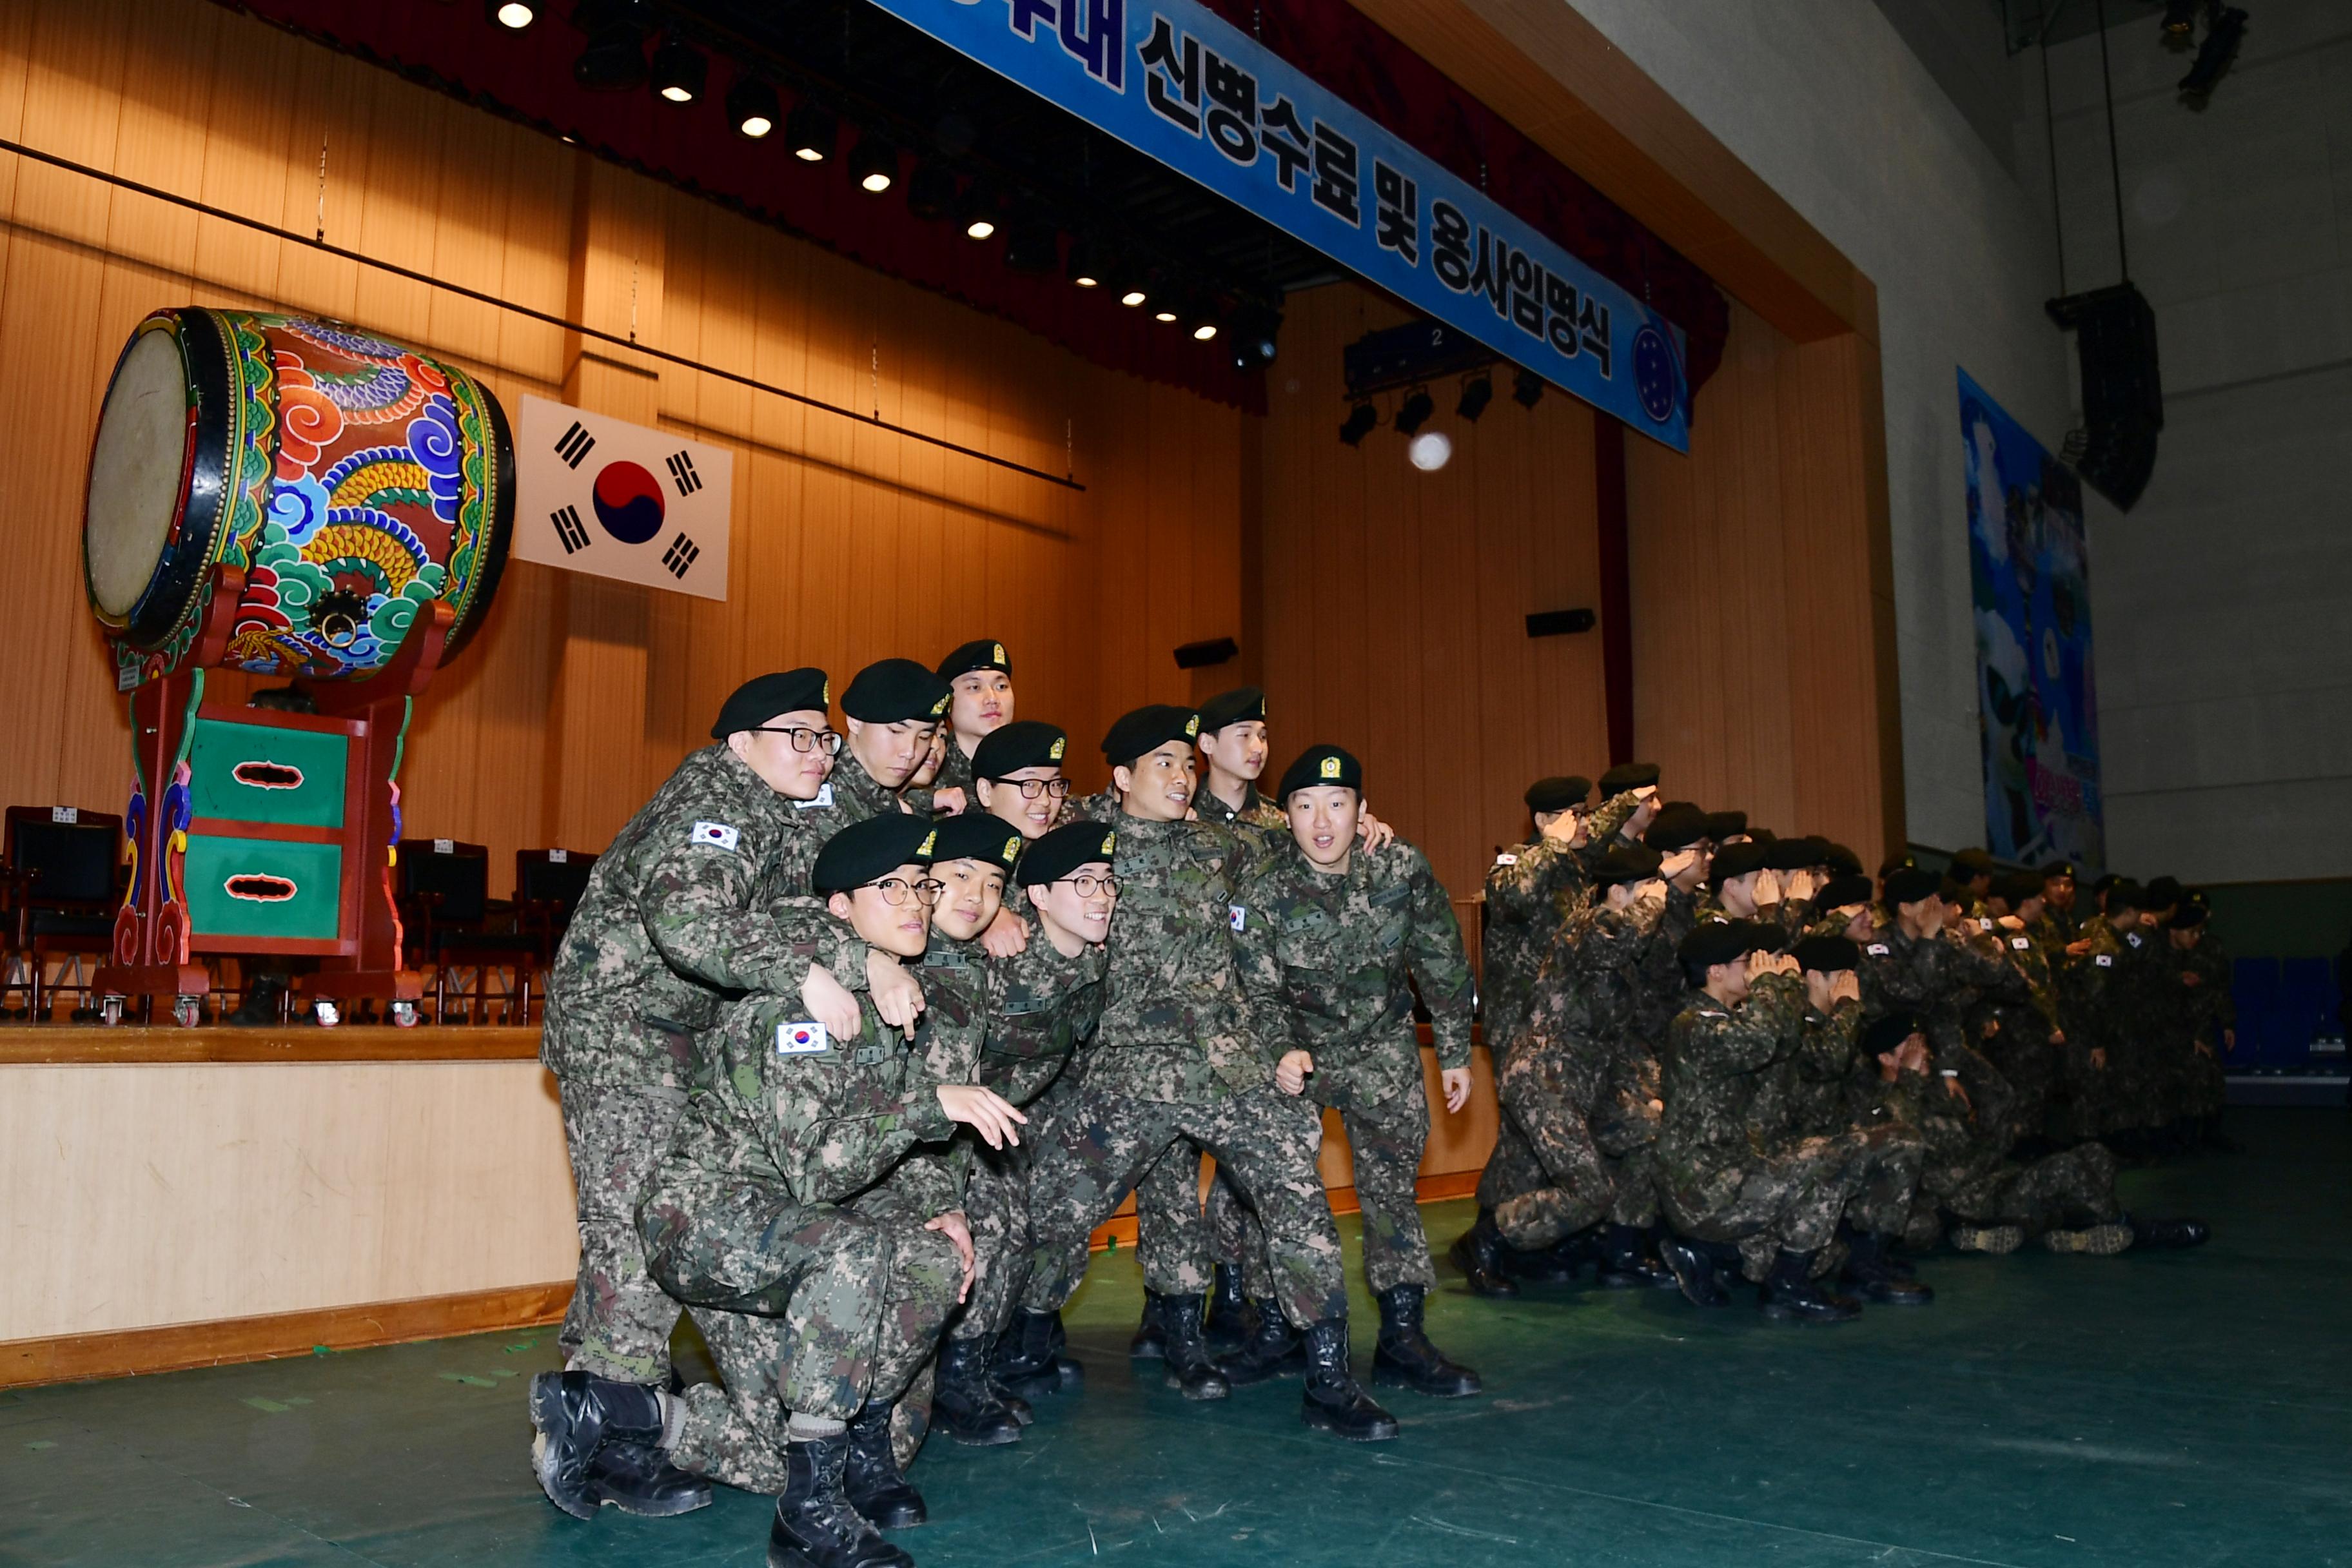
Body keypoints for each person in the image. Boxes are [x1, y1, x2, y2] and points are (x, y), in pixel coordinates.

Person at [542, 813, 1024, 1568]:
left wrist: (942, 1203)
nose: (917, 903)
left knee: (927, 1276)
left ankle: (616, 1407)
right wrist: (935, 1104)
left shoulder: (898, 1005)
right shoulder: (802, 1010)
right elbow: (822, 1168)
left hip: (795, 1233)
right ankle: (807, 1519)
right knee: (854, 1253)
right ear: (840, 911)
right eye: (890, 887)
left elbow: (891, 1148)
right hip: (704, 1220)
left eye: (922, 886)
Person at [534, 671, 923, 1516]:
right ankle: (605, 1435)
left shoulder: (781, 805)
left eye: (824, 738)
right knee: (630, 1230)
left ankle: (631, 1406)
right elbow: (690, 922)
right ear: (739, 740)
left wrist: (865, 960)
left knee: (675, 1225)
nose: (819, 753)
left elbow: (799, 913)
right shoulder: (717, 805)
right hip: (624, 1034)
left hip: (687, 1042)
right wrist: (813, 977)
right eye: (800, 735)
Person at [1003, 705, 1400, 1440]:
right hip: (1126, 1070)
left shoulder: (1229, 844)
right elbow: (1015, 826)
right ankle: (1025, 1339)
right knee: (1056, 1212)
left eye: (1188, 763)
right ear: (1121, 776)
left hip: (1227, 1063)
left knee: (1298, 1197)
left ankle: (1329, 1376)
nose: (1183, 777)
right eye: (1163, 764)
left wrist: (1360, 831)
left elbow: (1312, 848)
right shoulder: (1085, 840)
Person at [1218, 745, 1482, 1400]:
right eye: (1304, 806)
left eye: (1338, 803)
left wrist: (1453, 1050)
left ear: (1362, 810)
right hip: (1296, 1057)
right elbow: (1255, 991)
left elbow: (1441, 956)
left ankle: (1402, 1334)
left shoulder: (1399, 868)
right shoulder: (1263, 892)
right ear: (1289, 818)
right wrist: (1279, 1049)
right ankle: (1277, 1323)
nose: (1322, 821)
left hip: (1381, 1049)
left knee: (1392, 1191)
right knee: (1274, 1193)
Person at [917, 815, 1112, 1447]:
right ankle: (952, 1377)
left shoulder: (1091, 952)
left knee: (1038, 1217)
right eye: (961, 877)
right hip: (920, 1131)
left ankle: (978, 1363)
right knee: (995, 1229)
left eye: (990, 882)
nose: (975, 895)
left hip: (989, 1122)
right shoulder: (943, 951)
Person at [1652, 922, 1922, 1324]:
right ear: (1716, 971)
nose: (1754, 970)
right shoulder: (1694, 1024)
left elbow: (1786, 1041)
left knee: (1830, 1238)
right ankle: (1783, 1285)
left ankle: (1717, 1255)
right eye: (1747, 962)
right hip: (1704, 1187)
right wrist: (1776, 984)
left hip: (1736, 1172)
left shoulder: (1727, 1019)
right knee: (1831, 1159)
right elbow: (1764, 1040)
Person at [836, 660, 954, 821]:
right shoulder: (820, 795)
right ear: (856, 722)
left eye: (924, 737)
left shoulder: (918, 803)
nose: (910, 752)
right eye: (896, 731)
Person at [929, 640, 1015, 810]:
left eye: (1001, 686)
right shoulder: (927, 769)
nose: (992, 699)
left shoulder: (1029, 763)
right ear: (947, 703)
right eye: (975, 687)